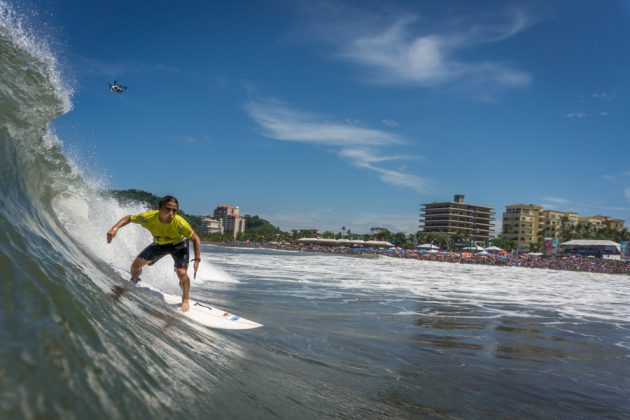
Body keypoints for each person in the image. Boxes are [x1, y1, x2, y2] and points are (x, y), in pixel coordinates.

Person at [106, 195, 201, 312]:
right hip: (160, 245)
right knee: (135, 266)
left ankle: (185, 299)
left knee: (182, 273)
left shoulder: (180, 224)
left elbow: (196, 239)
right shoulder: (149, 217)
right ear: (159, 208)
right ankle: (135, 280)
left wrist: (197, 259)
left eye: (174, 210)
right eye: (168, 209)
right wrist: (114, 228)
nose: (171, 213)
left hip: (179, 245)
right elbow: (129, 218)